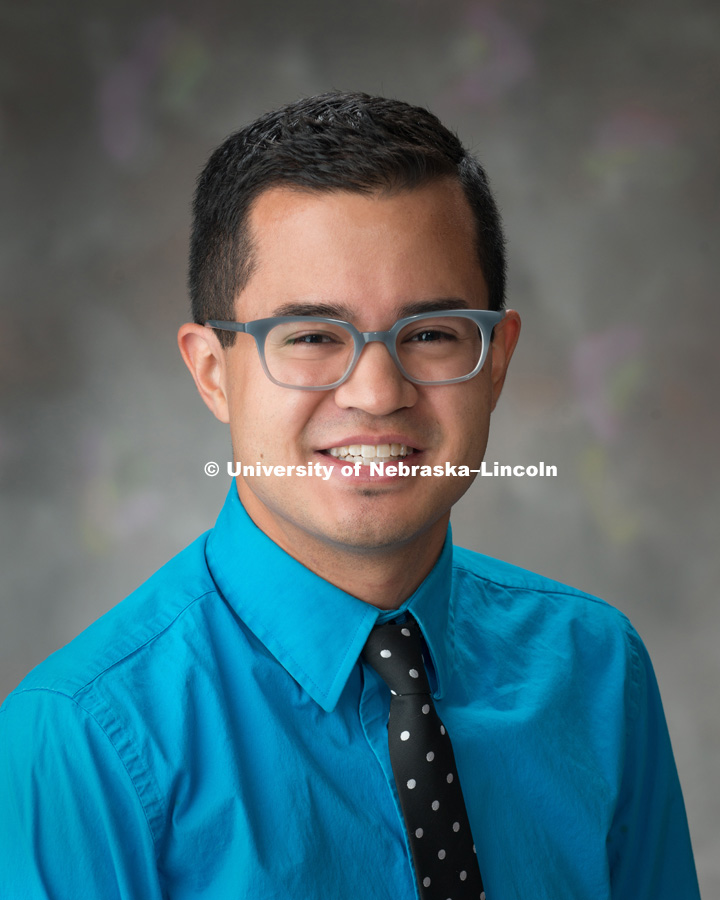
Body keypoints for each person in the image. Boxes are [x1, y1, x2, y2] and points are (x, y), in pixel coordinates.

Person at [0, 92, 700, 900]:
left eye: (432, 334)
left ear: (498, 359)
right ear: (212, 372)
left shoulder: (598, 668)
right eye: (310, 337)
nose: (376, 392)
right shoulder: (77, 744)